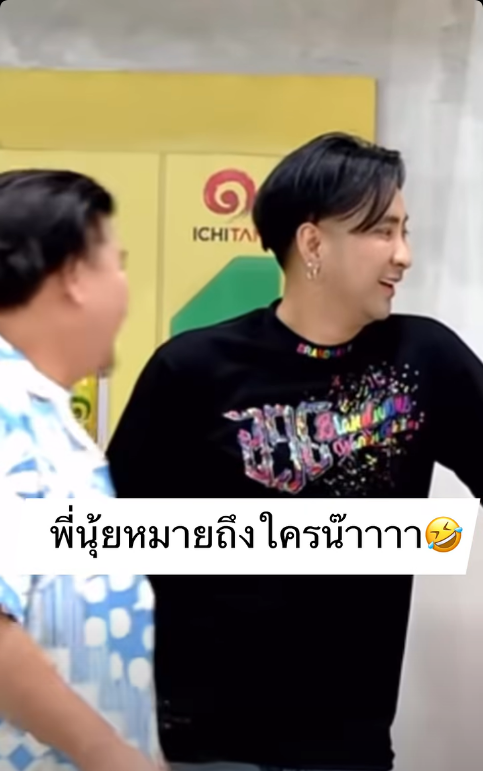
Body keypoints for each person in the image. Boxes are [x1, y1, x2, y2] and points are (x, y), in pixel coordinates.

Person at [106, 133, 483, 771]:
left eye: (404, 231)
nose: (404, 255)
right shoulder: (193, 369)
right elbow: (108, 540)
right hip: (205, 741)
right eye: (382, 231)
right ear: (313, 243)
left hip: (348, 744)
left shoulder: (424, 361)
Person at [0, 170, 163, 771]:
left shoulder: (46, 420)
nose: (125, 287)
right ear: (72, 275)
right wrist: (107, 754)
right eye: (116, 264)